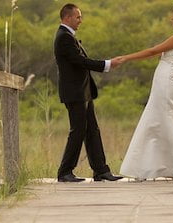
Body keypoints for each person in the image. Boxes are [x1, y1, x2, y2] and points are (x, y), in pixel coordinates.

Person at [112, 5, 173, 182]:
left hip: (167, 81)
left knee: (168, 120)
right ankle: (151, 168)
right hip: (162, 80)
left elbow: (152, 51)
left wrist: (126, 58)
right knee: (155, 120)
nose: (172, 18)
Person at [54, 3, 122, 183]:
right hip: (74, 93)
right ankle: (65, 172)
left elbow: (80, 62)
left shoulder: (68, 37)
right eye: (78, 17)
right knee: (77, 131)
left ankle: (101, 171)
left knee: (92, 130)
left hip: (83, 93)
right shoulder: (64, 37)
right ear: (67, 18)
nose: (80, 21)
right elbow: (80, 61)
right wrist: (106, 64)